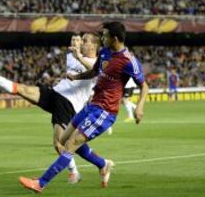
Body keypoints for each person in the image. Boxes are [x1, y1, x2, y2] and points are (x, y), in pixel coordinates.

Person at [18, 21, 148, 193]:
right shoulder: (105, 52)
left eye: (105, 35)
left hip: (104, 112)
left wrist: (139, 107)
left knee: (71, 143)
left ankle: (41, 183)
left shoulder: (128, 61)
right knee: (62, 140)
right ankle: (103, 164)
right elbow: (95, 72)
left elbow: (144, 86)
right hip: (91, 106)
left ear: (115, 39)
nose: (102, 38)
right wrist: (76, 77)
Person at [0, 33, 100, 184]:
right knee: (24, 90)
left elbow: (96, 70)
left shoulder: (96, 62)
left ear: (94, 46)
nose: (81, 43)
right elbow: (71, 71)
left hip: (68, 104)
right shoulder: (71, 54)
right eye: (80, 40)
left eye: (85, 41)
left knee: (59, 144)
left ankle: (76, 172)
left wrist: (79, 56)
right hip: (56, 93)